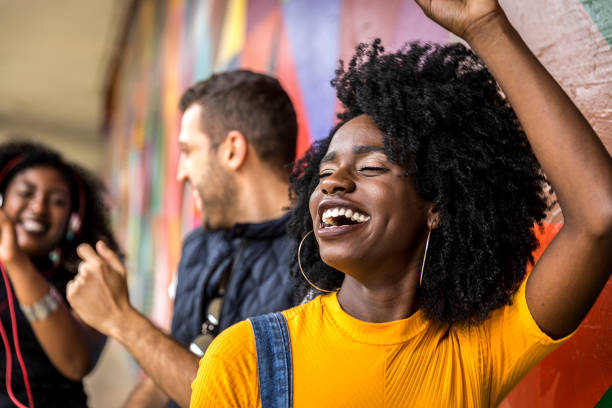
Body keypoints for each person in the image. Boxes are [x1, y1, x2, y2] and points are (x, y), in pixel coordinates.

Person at [189, 1, 612, 407]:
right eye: (324, 173)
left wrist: (487, 28)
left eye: (370, 167)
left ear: (435, 205)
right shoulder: (241, 360)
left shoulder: (476, 350)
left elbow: (599, 216)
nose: (334, 182)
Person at [66, 70, 301, 407]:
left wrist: (120, 318)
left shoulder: (317, 256)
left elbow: (239, 401)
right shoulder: (198, 246)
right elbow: (168, 373)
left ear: (233, 150)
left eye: (188, 151)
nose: (181, 172)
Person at [0, 140, 119, 407]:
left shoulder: (85, 279)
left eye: (56, 201)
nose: (39, 208)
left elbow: (77, 363)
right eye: (26, 193)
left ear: (72, 219)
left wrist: (16, 262)